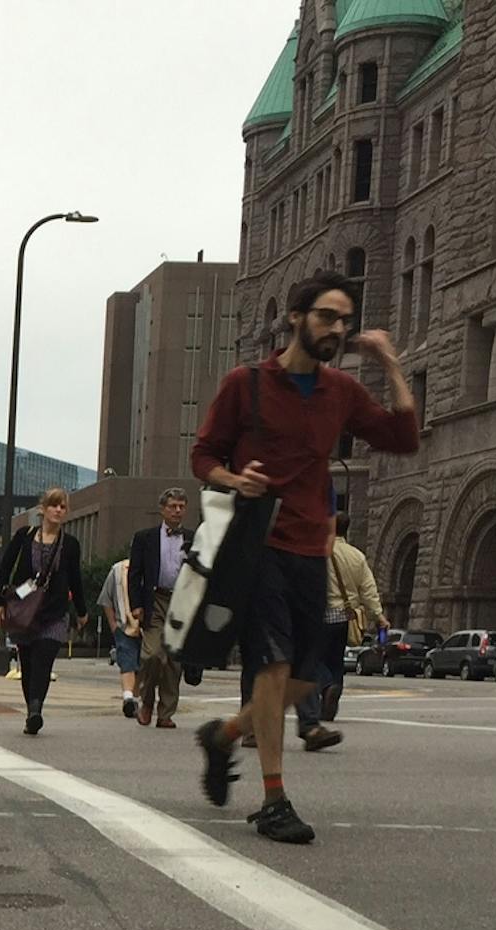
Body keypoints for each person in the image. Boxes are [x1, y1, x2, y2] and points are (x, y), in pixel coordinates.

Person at [188, 271, 421, 843]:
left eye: (345, 320)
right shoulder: (246, 384)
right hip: (258, 545)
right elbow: (203, 455)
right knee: (270, 666)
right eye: (326, 316)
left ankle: (222, 735)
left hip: (310, 550)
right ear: (296, 318)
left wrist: (390, 363)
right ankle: (273, 800)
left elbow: (403, 437)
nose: (337, 329)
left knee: (307, 678)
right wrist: (233, 478)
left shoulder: (340, 390)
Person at [0, 487, 87, 736]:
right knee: (28, 662)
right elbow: (5, 568)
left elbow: (76, 579)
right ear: (43, 509)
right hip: (24, 610)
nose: (58, 510)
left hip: (54, 613)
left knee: (44, 659)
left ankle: (36, 709)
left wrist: (81, 609)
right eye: (53, 505)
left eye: (62, 506)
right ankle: (30, 709)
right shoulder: (25, 536)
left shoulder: (70, 544)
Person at [294, 513, 387, 748]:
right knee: (336, 660)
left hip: (320, 614)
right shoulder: (357, 556)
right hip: (345, 616)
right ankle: (333, 697)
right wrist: (378, 615)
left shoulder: (321, 551)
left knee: (314, 660)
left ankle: (326, 687)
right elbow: (368, 589)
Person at [125, 488, 194, 728]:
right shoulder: (145, 538)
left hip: (182, 602)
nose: (177, 511)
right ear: (162, 509)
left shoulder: (193, 539)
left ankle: (166, 713)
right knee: (152, 654)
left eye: (181, 506)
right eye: (173, 506)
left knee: (174, 660)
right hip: (155, 600)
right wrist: (136, 605)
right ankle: (146, 701)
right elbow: (134, 574)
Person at [96, 555, 140, 719]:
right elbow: (106, 600)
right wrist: (113, 625)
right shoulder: (118, 570)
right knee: (127, 661)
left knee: (144, 663)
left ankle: (134, 698)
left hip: (148, 626)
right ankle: (128, 697)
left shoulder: (151, 568)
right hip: (123, 625)